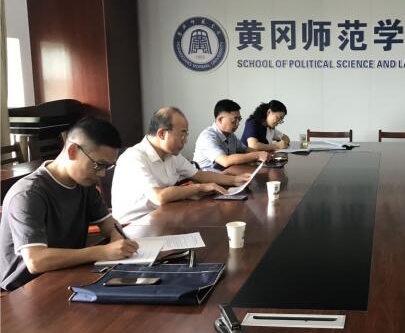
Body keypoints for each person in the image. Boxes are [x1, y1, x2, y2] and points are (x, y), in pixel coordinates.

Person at [0, 117, 139, 291]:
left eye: (108, 167)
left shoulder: (84, 184)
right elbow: (36, 261)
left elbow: (108, 224)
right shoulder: (28, 194)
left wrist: (117, 237)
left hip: (67, 274)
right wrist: (103, 252)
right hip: (25, 289)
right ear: (72, 151)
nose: (102, 174)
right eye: (98, 165)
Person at [111, 107, 252, 223]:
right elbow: (159, 196)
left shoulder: (170, 154)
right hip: (135, 227)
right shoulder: (134, 158)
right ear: (162, 134)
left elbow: (199, 175)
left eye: (186, 134)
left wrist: (235, 180)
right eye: (182, 134)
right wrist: (200, 187)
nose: (185, 140)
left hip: (162, 216)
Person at [193, 99, 270, 171]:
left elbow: (245, 149)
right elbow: (225, 161)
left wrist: (265, 154)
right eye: (234, 120)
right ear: (220, 119)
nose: (238, 124)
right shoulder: (207, 137)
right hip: (206, 177)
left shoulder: (231, 135)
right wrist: (257, 155)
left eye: (239, 120)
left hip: (225, 173)